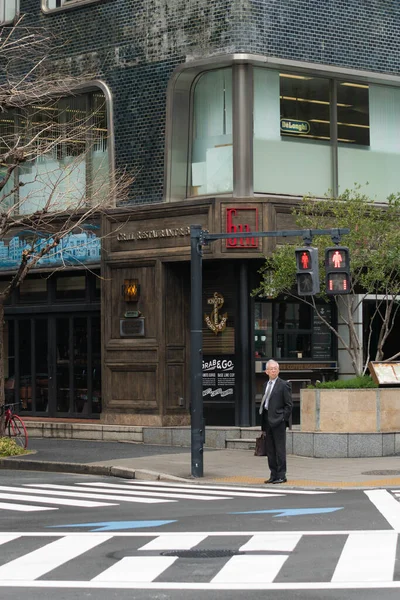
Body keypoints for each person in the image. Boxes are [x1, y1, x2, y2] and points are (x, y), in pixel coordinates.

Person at [259, 359, 293, 484]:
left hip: (278, 421)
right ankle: (273, 474)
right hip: (267, 419)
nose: (273, 370)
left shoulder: (283, 385)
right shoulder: (265, 385)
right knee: (270, 450)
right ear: (266, 371)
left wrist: (283, 418)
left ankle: (281, 475)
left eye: (275, 368)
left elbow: (289, 405)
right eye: (271, 369)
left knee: (280, 449)